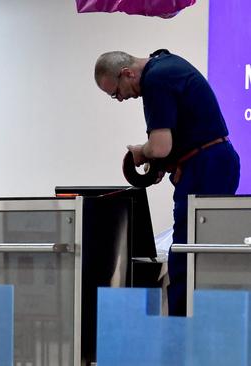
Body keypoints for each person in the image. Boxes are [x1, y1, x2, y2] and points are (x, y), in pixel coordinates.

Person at [94, 49, 240, 316]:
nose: (120, 98)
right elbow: (180, 133)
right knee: (206, 256)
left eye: (116, 92)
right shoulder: (166, 64)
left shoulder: (155, 81)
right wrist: (166, 162)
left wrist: (141, 151)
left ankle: (181, 334)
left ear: (127, 73)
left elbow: (160, 146)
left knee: (186, 257)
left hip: (205, 169)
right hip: (213, 162)